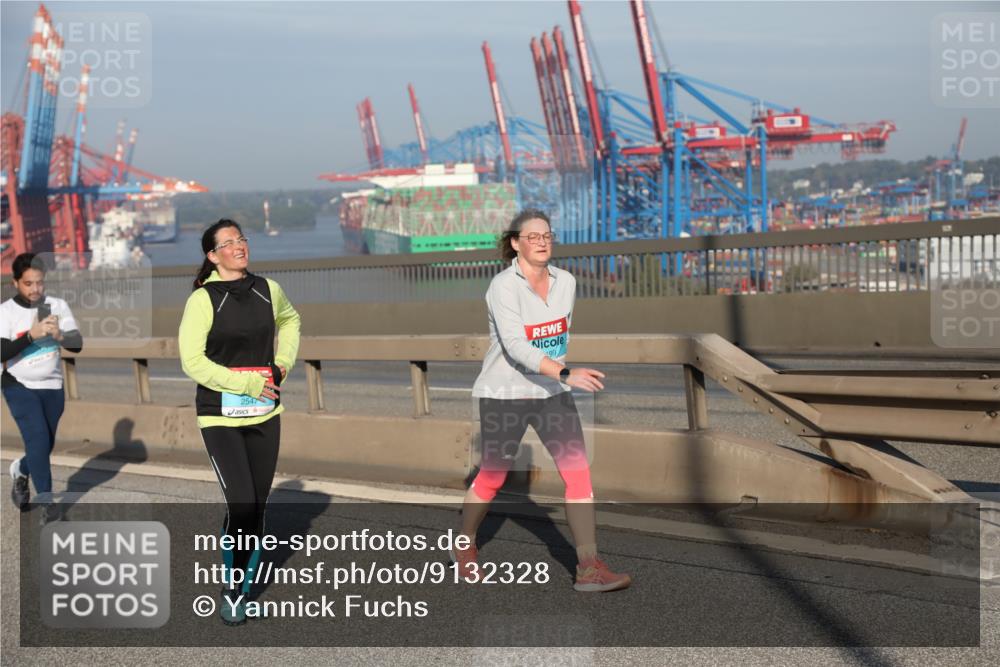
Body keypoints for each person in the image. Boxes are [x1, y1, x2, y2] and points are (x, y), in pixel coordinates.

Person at [454, 209, 631, 593]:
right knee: (493, 476)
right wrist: (566, 373)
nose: (542, 241)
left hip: (551, 393)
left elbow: (556, 339)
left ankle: (588, 569)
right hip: (506, 392)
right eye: (532, 236)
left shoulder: (566, 282)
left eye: (547, 235)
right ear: (515, 243)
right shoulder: (503, 286)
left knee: (578, 473)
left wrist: (559, 377)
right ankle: (464, 544)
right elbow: (516, 346)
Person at [178, 220, 300, 625]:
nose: (239, 246)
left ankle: (242, 591)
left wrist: (281, 366)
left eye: (241, 239)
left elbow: (291, 321)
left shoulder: (269, 290)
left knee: (257, 509)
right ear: (213, 256)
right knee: (242, 504)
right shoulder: (204, 300)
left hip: (266, 413)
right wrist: (246, 382)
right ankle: (231, 591)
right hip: (219, 416)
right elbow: (192, 362)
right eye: (228, 243)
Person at [2, 253, 83, 519]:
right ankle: (49, 507)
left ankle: (22, 470)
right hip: (18, 384)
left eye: (39, 282)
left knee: (43, 445)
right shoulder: (6, 312)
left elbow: (77, 343)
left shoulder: (56, 305)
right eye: (28, 283)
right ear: (16, 283)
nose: (36, 289)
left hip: (53, 386)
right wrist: (31, 335)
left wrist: (59, 335)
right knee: (37, 439)